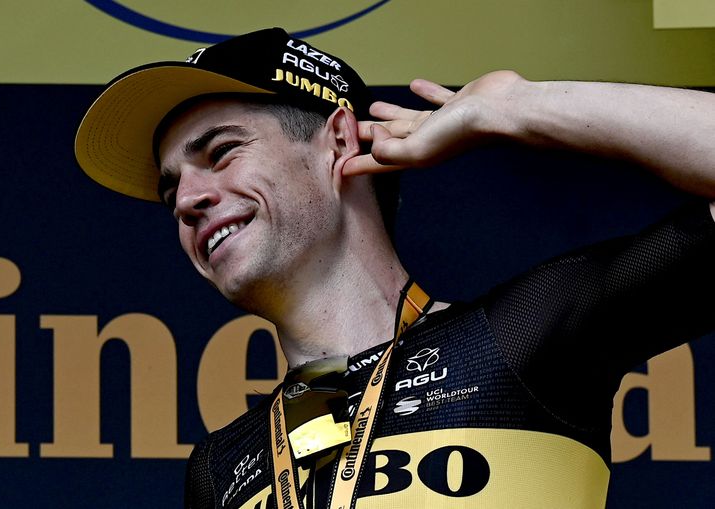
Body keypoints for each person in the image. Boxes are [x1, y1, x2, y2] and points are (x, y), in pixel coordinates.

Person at [75, 28, 715, 509]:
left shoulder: (520, 337)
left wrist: (513, 106)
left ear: (338, 140)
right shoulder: (221, 467)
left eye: (221, 152)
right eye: (172, 191)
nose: (187, 200)